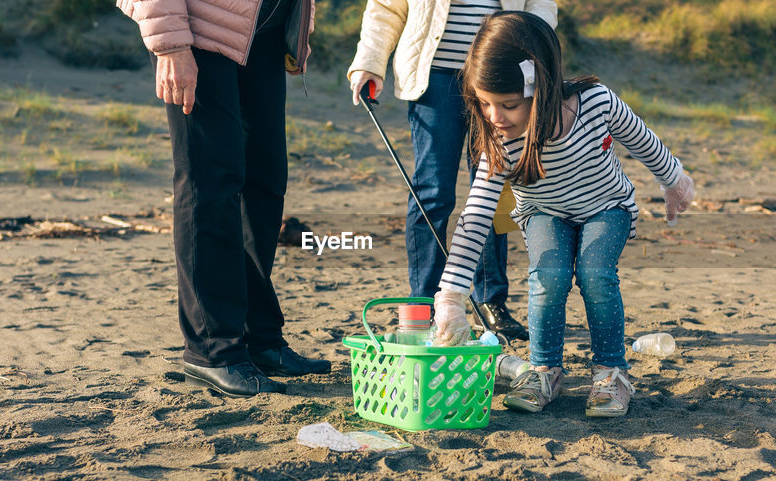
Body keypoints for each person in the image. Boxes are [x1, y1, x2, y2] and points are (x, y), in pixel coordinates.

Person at [429, 12, 696, 418]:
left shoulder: (595, 103)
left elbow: (643, 140)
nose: (495, 117)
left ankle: (611, 373)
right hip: (544, 213)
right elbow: (476, 216)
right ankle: (544, 370)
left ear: (541, 85)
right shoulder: (499, 144)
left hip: (606, 207)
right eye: (484, 104)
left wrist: (674, 181)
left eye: (509, 104)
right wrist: (450, 297)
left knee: (594, 271)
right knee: (548, 274)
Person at [118, 0, 330, 398]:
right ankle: (212, 349)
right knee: (209, 183)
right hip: (199, 32)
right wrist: (172, 46)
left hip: (260, 35)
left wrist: (297, 28)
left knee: (265, 182)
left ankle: (257, 337)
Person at [347, 0, 560, 341]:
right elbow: (387, 7)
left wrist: (529, 48)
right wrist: (369, 62)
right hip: (434, 78)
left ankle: (490, 301)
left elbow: (541, 5)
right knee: (432, 191)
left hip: (499, 76)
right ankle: (423, 304)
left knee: (493, 190)